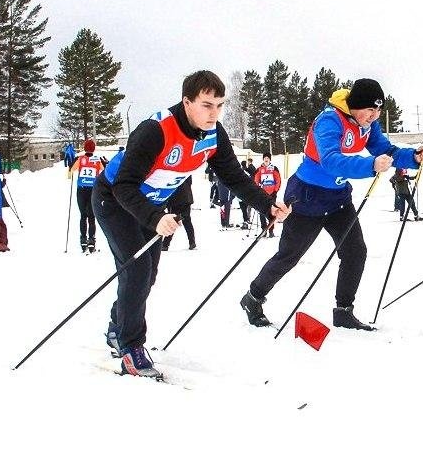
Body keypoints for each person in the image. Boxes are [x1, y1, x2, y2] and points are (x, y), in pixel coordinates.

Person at [94, 71, 289, 378]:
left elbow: (234, 177)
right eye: (207, 105)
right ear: (187, 102)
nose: (214, 114)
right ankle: (131, 347)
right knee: (137, 269)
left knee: (148, 275)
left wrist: (266, 204)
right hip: (116, 201)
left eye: (220, 105)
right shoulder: (155, 130)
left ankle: (117, 326)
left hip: (152, 206)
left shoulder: (213, 133)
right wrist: (155, 218)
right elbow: (124, 186)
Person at [240, 78, 423, 330]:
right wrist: (369, 166)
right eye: (369, 110)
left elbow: (386, 150)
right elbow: (330, 161)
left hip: (338, 198)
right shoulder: (329, 120)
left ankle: (343, 311)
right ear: (355, 105)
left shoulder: (367, 125)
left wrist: (413, 157)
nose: (373, 117)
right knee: (290, 255)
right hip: (308, 196)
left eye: (378, 112)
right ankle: (253, 297)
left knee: (355, 251)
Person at [69, 139, 104, 253]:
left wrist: (71, 164)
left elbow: (70, 174)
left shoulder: (80, 159)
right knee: (92, 217)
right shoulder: (97, 160)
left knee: (83, 215)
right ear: (93, 149)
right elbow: (106, 172)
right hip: (93, 191)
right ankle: (91, 240)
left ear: (84, 148)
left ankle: (83, 239)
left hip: (81, 191)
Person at [161, 176, 196, 251]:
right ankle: (192, 242)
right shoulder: (187, 169)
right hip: (186, 197)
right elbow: (190, 182)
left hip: (175, 199)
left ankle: (165, 244)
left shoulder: (173, 170)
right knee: (187, 221)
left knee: (173, 220)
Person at [253, 153, 283, 236]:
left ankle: (271, 230)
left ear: (270, 159)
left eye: (268, 158)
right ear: (263, 159)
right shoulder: (259, 169)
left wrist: (275, 191)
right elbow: (256, 180)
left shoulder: (274, 168)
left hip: (271, 194)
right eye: (265, 158)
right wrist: (258, 190)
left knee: (271, 212)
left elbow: (278, 180)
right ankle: (263, 229)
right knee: (262, 211)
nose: (266, 159)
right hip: (262, 193)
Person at [239, 156, 256, 226]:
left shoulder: (245, 170)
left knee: (244, 207)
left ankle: (246, 219)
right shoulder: (248, 169)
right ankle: (247, 219)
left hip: (242, 190)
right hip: (248, 189)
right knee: (247, 206)